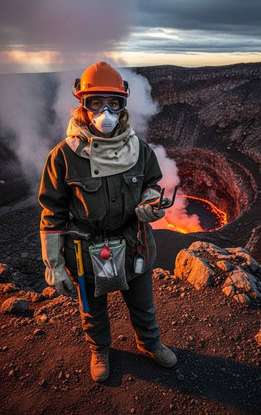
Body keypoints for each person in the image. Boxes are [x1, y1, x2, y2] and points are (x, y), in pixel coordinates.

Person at [38, 61, 177, 382]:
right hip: (86, 251)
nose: (106, 113)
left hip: (135, 244)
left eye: (113, 103)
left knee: (143, 303)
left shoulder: (139, 150)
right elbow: (52, 211)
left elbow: (152, 184)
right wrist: (54, 263)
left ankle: (150, 343)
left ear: (123, 105)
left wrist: (149, 203)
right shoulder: (63, 156)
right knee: (92, 309)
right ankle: (99, 349)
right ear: (82, 106)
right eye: (96, 103)